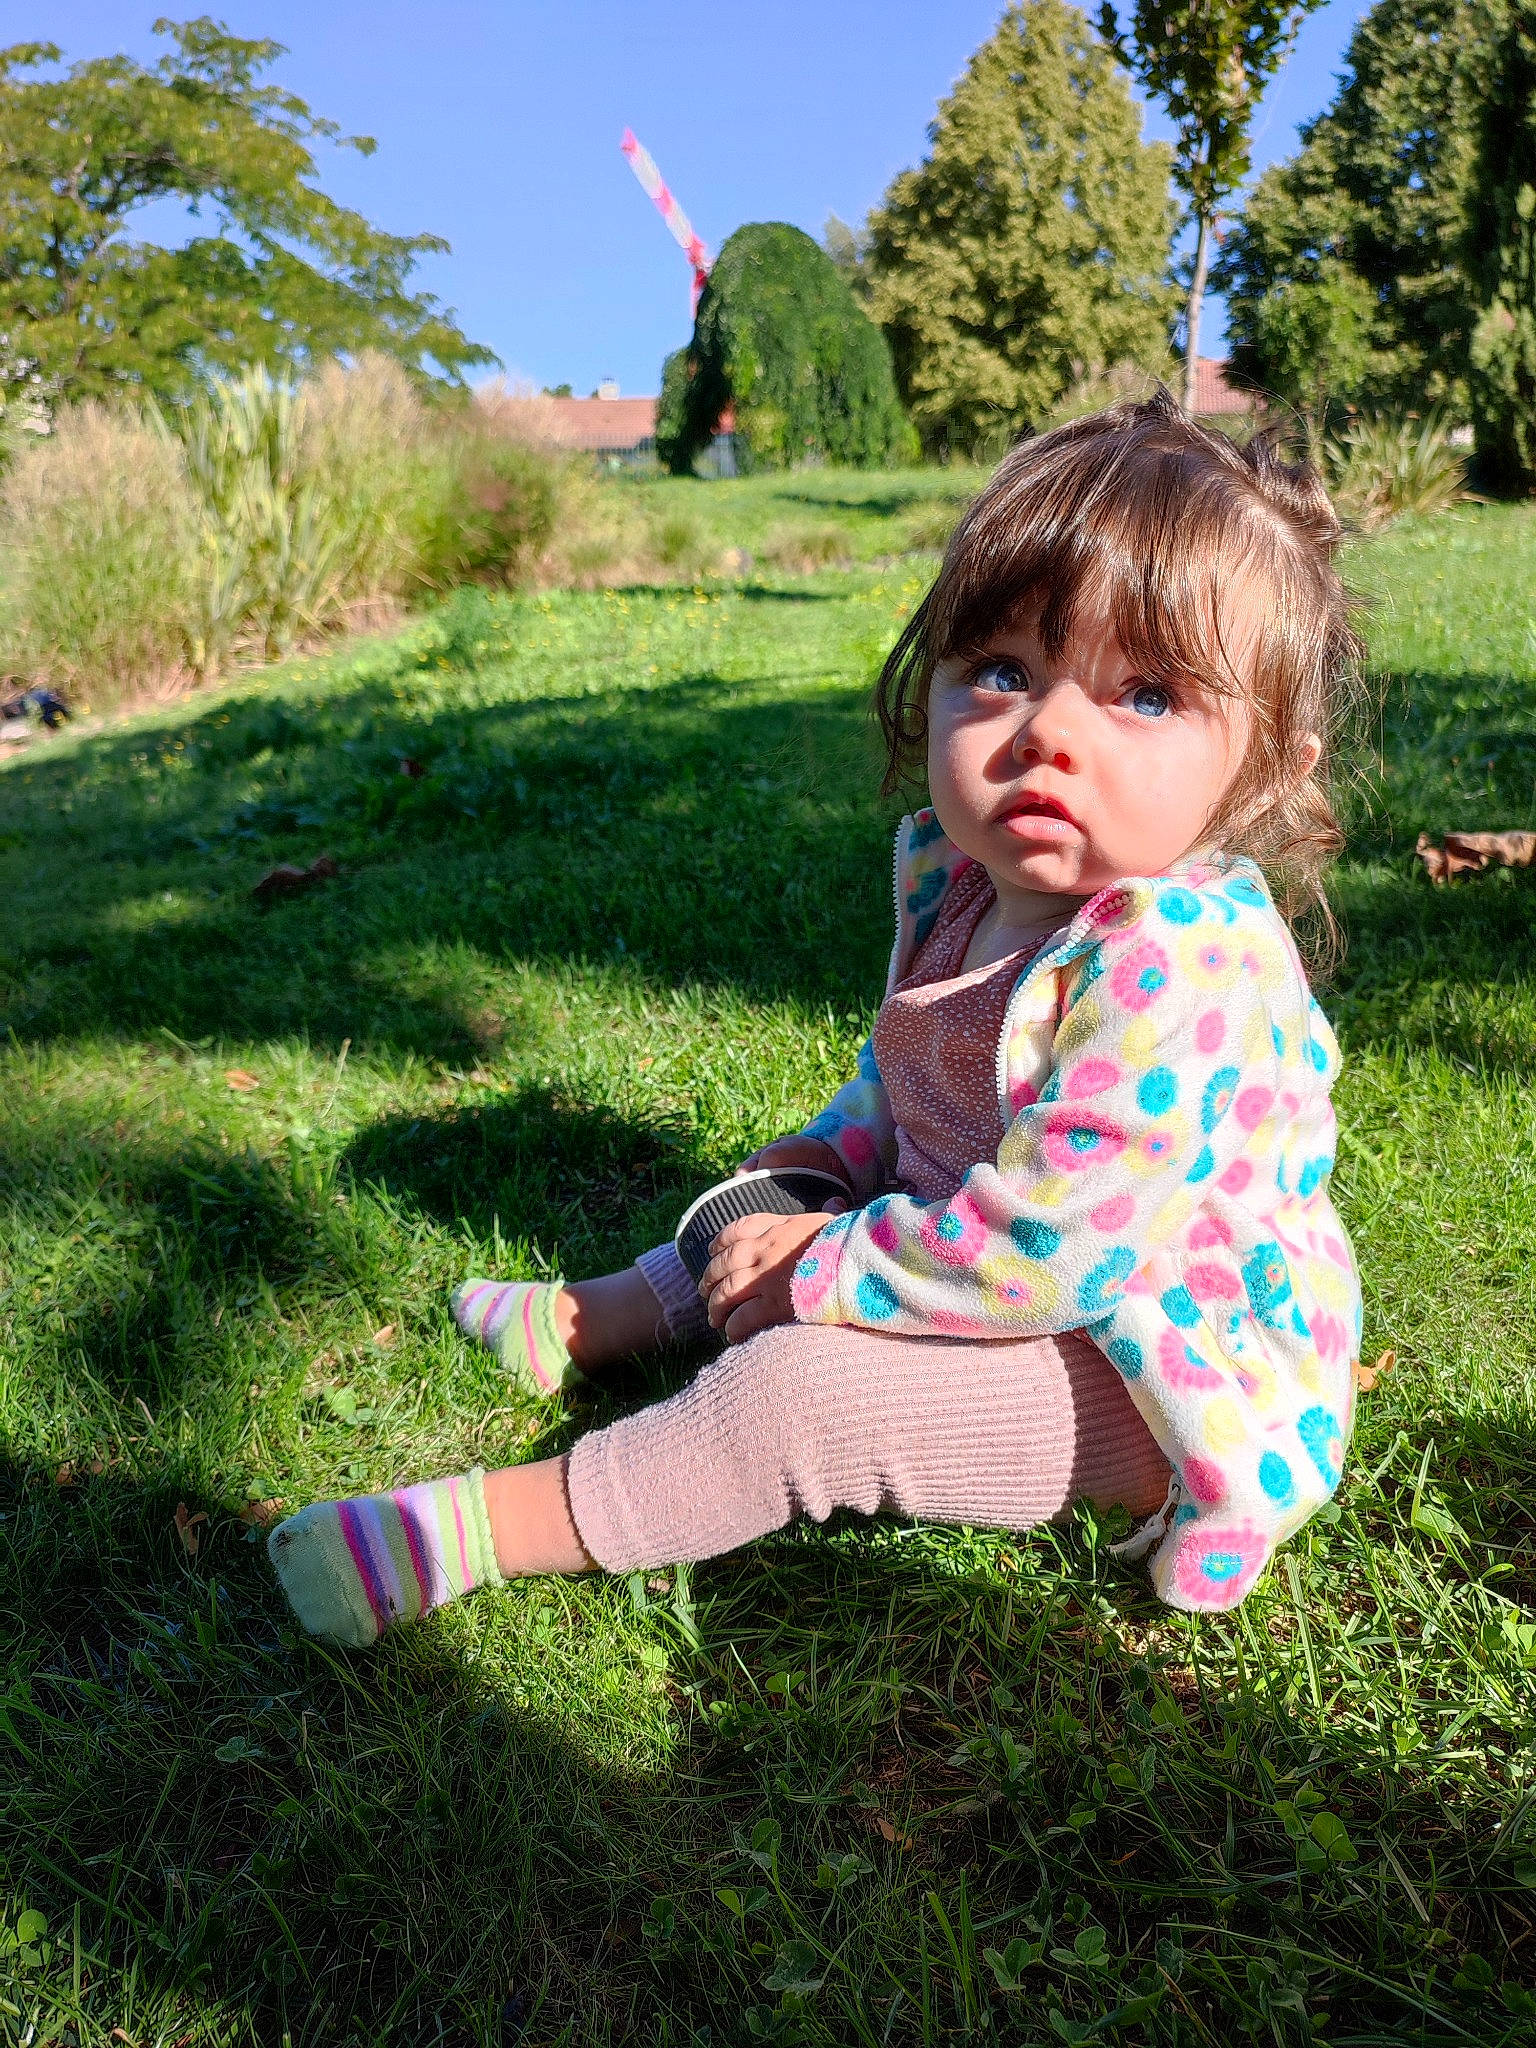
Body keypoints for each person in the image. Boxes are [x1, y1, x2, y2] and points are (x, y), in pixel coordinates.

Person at [269, 393, 1363, 1648]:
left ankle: (469, 1531)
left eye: (1147, 695)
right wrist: (811, 1176)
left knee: (797, 1393)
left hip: (1154, 1364)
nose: (1049, 731)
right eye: (1003, 669)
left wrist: (831, 1267)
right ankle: (594, 1317)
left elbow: (1057, 1247)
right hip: (981, 1251)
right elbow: (906, 1091)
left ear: (1267, 764)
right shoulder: (962, 887)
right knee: (766, 1222)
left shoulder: (1184, 966)